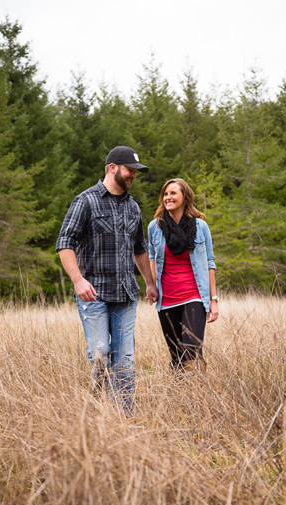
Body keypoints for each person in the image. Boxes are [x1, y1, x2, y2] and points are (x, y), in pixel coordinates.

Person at [56, 145, 159, 415]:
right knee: (101, 354)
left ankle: (124, 418)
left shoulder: (133, 207)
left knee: (125, 361)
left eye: (136, 172)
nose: (133, 176)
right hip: (95, 294)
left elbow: (140, 248)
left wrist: (149, 282)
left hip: (125, 294)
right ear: (112, 168)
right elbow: (64, 243)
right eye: (129, 170)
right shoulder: (85, 201)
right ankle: (99, 412)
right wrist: (78, 281)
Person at [147, 178, 218, 373]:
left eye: (173, 193)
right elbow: (152, 258)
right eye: (165, 194)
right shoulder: (155, 227)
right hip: (167, 298)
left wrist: (213, 300)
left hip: (194, 295)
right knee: (177, 356)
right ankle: (181, 397)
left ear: (185, 197)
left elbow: (210, 263)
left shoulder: (200, 226)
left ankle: (197, 394)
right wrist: (151, 286)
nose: (168, 197)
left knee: (191, 350)